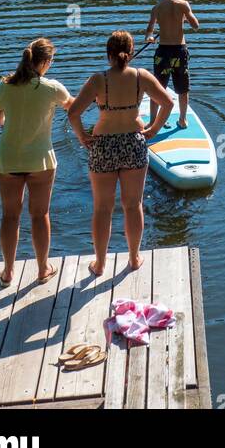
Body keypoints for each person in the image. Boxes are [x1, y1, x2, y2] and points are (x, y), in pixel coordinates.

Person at [68, 31, 173, 275]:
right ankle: (134, 258)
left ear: (108, 55)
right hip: (133, 143)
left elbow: (73, 113)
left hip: (103, 144)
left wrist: (82, 136)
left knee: (102, 208)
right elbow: (167, 103)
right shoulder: (141, 77)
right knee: (133, 204)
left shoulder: (98, 80)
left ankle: (101, 263)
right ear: (131, 50)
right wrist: (154, 129)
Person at [0, 38, 72, 288]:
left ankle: (7, 273)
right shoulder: (52, 88)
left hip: (9, 158)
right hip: (41, 160)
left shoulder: (6, 86)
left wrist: (14, 125)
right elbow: (73, 106)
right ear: (45, 62)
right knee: (40, 215)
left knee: (9, 216)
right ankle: (42, 269)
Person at [145, 0, 199, 129]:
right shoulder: (183, 5)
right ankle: (182, 120)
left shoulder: (157, 8)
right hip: (179, 52)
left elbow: (149, 31)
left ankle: (153, 121)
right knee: (182, 89)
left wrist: (150, 38)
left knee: (158, 88)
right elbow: (196, 26)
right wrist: (184, 19)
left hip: (163, 52)